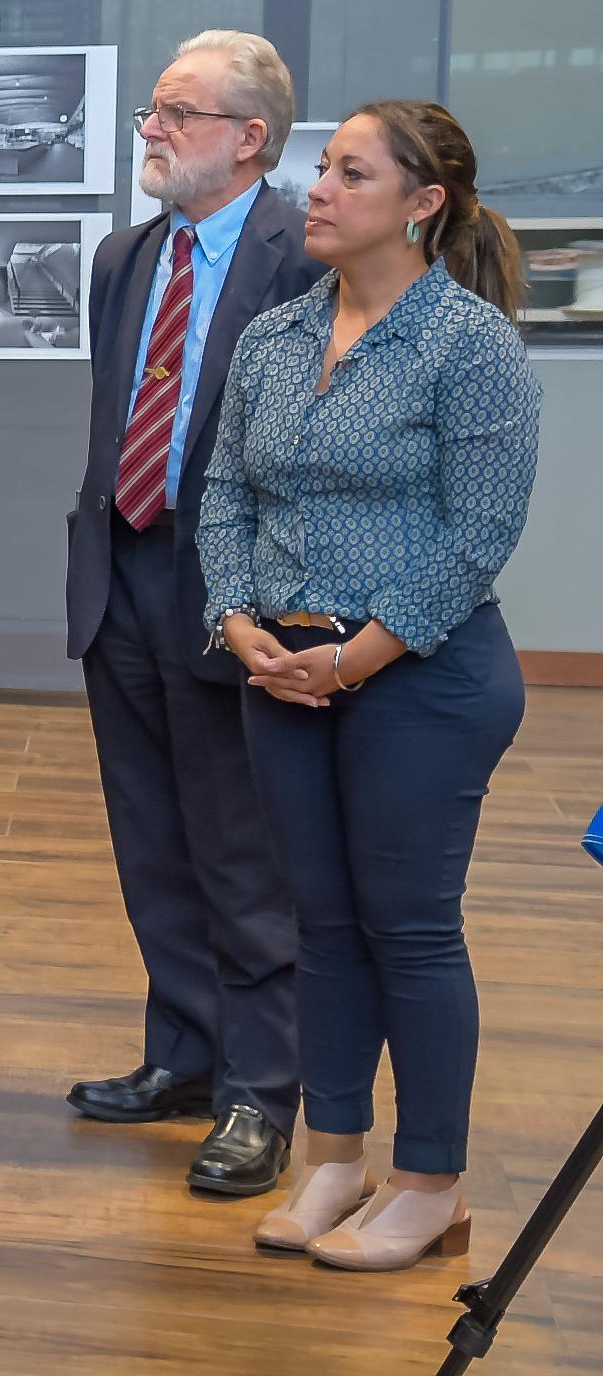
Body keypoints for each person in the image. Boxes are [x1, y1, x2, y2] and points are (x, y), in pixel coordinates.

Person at [201, 100, 538, 1271]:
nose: (319, 192)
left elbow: (478, 536)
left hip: (422, 679)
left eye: (349, 172)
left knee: (411, 931)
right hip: (281, 671)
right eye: (319, 170)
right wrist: (237, 623)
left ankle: (431, 1181)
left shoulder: (469, 341)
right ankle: (333, 1159)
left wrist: (353, 658)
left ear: (422, 200)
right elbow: (226, 496)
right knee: (325, 927)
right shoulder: (274, 337)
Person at [63, 33, 322, 1193]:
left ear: (249, 136)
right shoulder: (125, 257)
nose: (150, 129)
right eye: (150, 111)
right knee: (152, 838)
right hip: (122, 572)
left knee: (241, 847)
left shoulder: (304, 256)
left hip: (239, 592)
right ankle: (182, 1052)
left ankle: (262, 1090)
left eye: (176, 111)